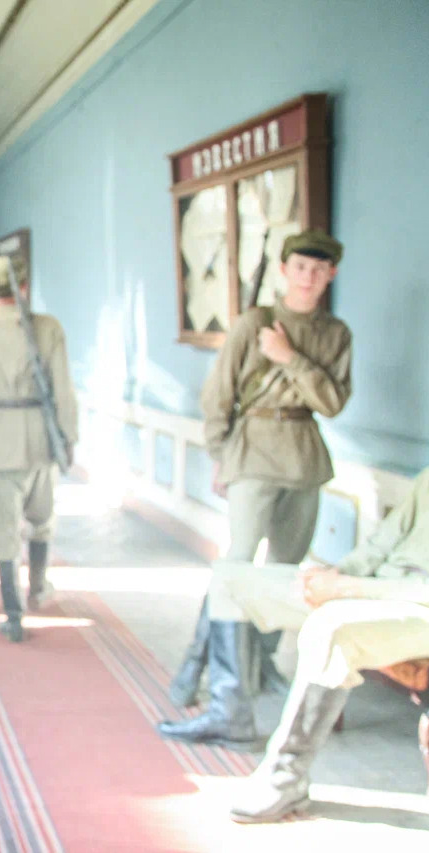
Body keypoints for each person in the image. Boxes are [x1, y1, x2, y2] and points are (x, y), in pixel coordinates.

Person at [156, 468, 429, 822]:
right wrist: (335, 576)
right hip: (370, 588)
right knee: (228, 579)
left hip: (414, 610)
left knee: (330, 627)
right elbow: (381, 543)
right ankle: (229, 714)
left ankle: (285, 776)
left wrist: (350, 589)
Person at [171, 229, 353, 705]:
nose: (308, 278)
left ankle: (261, 661)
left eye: (319, 270)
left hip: (304, 456)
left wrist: (290, 358)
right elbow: (219, 393)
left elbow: (332, 403)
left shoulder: (335, 334)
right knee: (237, 561)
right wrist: (220, 454)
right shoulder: (254, 323)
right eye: (300, 267)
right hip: (253, 450)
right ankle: (204, 664)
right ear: (284, 270)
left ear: (331, 274)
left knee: (285, 571)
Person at [0, 255, 77, 641]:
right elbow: (63, 390)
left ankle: (13, 612)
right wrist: (69, 437)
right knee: (42, 517)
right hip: (40, 433)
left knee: (4, 526)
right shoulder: (47, 327)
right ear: (24, 287)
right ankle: (38, 589)